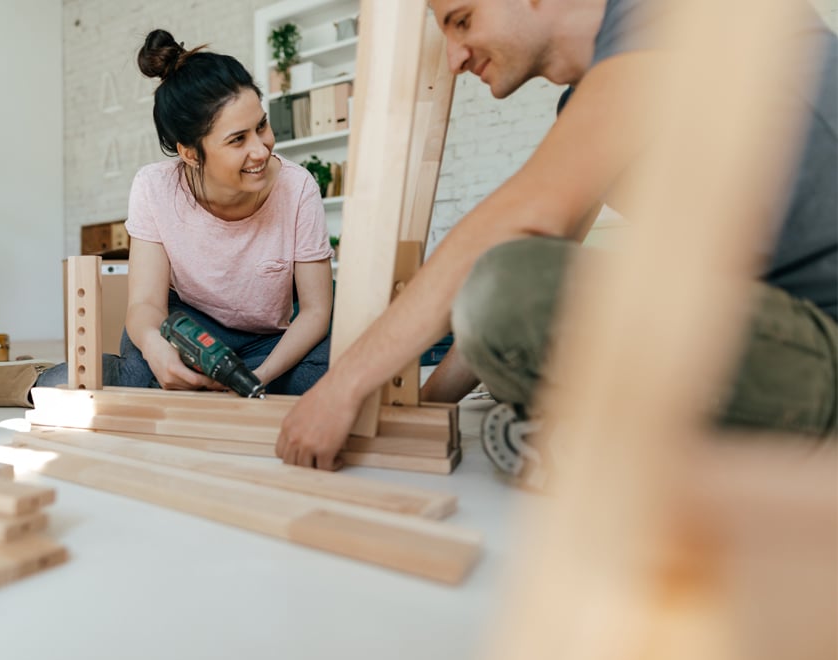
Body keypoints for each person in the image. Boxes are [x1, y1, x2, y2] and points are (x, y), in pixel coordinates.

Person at [275, 0, 837, 473]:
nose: (454, 57)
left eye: (463, 20)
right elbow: (539, 257)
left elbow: (526, 225)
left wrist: (340, 388)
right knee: (515, 295)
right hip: (774, 331)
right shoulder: (592, 100)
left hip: (823, 338)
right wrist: (423, 416)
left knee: (508, 284)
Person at [0, 29, 334, 408]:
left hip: (269, 339)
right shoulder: (154, 188)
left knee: (334, 372)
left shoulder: (297, 188)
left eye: (260, 125)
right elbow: (144, 305)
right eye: (237, 140)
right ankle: (35, 380)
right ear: (191, 153)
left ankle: (194, 389)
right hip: (190, 328)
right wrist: (158, 352)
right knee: (142, 373)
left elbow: (316, 310)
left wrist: (257, 378)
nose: (261, 150)